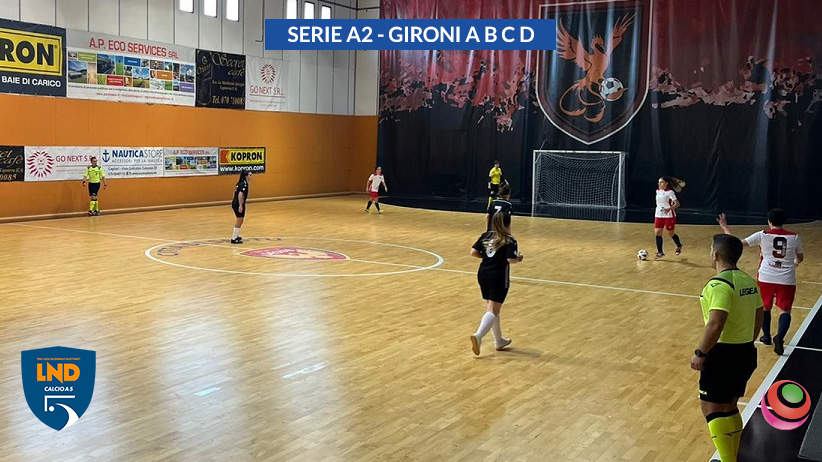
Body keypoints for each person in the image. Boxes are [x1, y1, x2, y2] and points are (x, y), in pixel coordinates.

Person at [691, 234, 763, 462]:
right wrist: (748, 340)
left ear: (716, 255)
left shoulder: (718, 285)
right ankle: (731, 456)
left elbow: (716, 322)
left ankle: (727, 459)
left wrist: (700, 353)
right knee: (730, 405)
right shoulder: (749, 281)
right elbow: (759, 314)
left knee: (711, 407)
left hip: (722, 354)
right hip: (745, 351)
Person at [718, 209, 804, 355]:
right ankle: (780, 337)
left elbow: (736, 243)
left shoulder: (762, 235)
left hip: (766, 277)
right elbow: (800, 257)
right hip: (786, 278)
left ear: (769, 221)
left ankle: (766, 336)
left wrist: (725, 227)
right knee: (785, 310)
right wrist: (795, 262)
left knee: (765, 307)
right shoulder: (794, 237)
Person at [469, 211, 524, 356]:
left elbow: (473, 252)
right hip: (498, 276)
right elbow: (511, 259)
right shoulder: (509, 239)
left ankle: (498, 340)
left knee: (492, 308)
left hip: (483, 273)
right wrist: (518, 258)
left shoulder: (485, 235)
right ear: (508, 224)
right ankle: (478, 335)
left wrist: (488, 258)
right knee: (493, 309)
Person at [654, 176, 685, 258]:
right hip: (658, 214)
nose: (659, 184)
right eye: (658, 182)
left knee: (670, 233)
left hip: (669, 215)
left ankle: (679, 245)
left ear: (666, 183)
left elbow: (677, 204)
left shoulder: (670, 192)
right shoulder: (657, 191)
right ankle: (660, 252)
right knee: (657, 232)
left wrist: (669, 209)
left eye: (661, 182)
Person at [230, 170, 252, 244]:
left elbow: (234, 192)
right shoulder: (244, 184)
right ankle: (234, 238)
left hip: (235, 203)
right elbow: (240, 194)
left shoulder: (240, 183)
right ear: (246, 176)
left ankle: (236, 235)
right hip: (238, 203)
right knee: (240, 220)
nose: (251, 177)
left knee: (240, 220)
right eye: (250, 175)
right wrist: (240, 205)